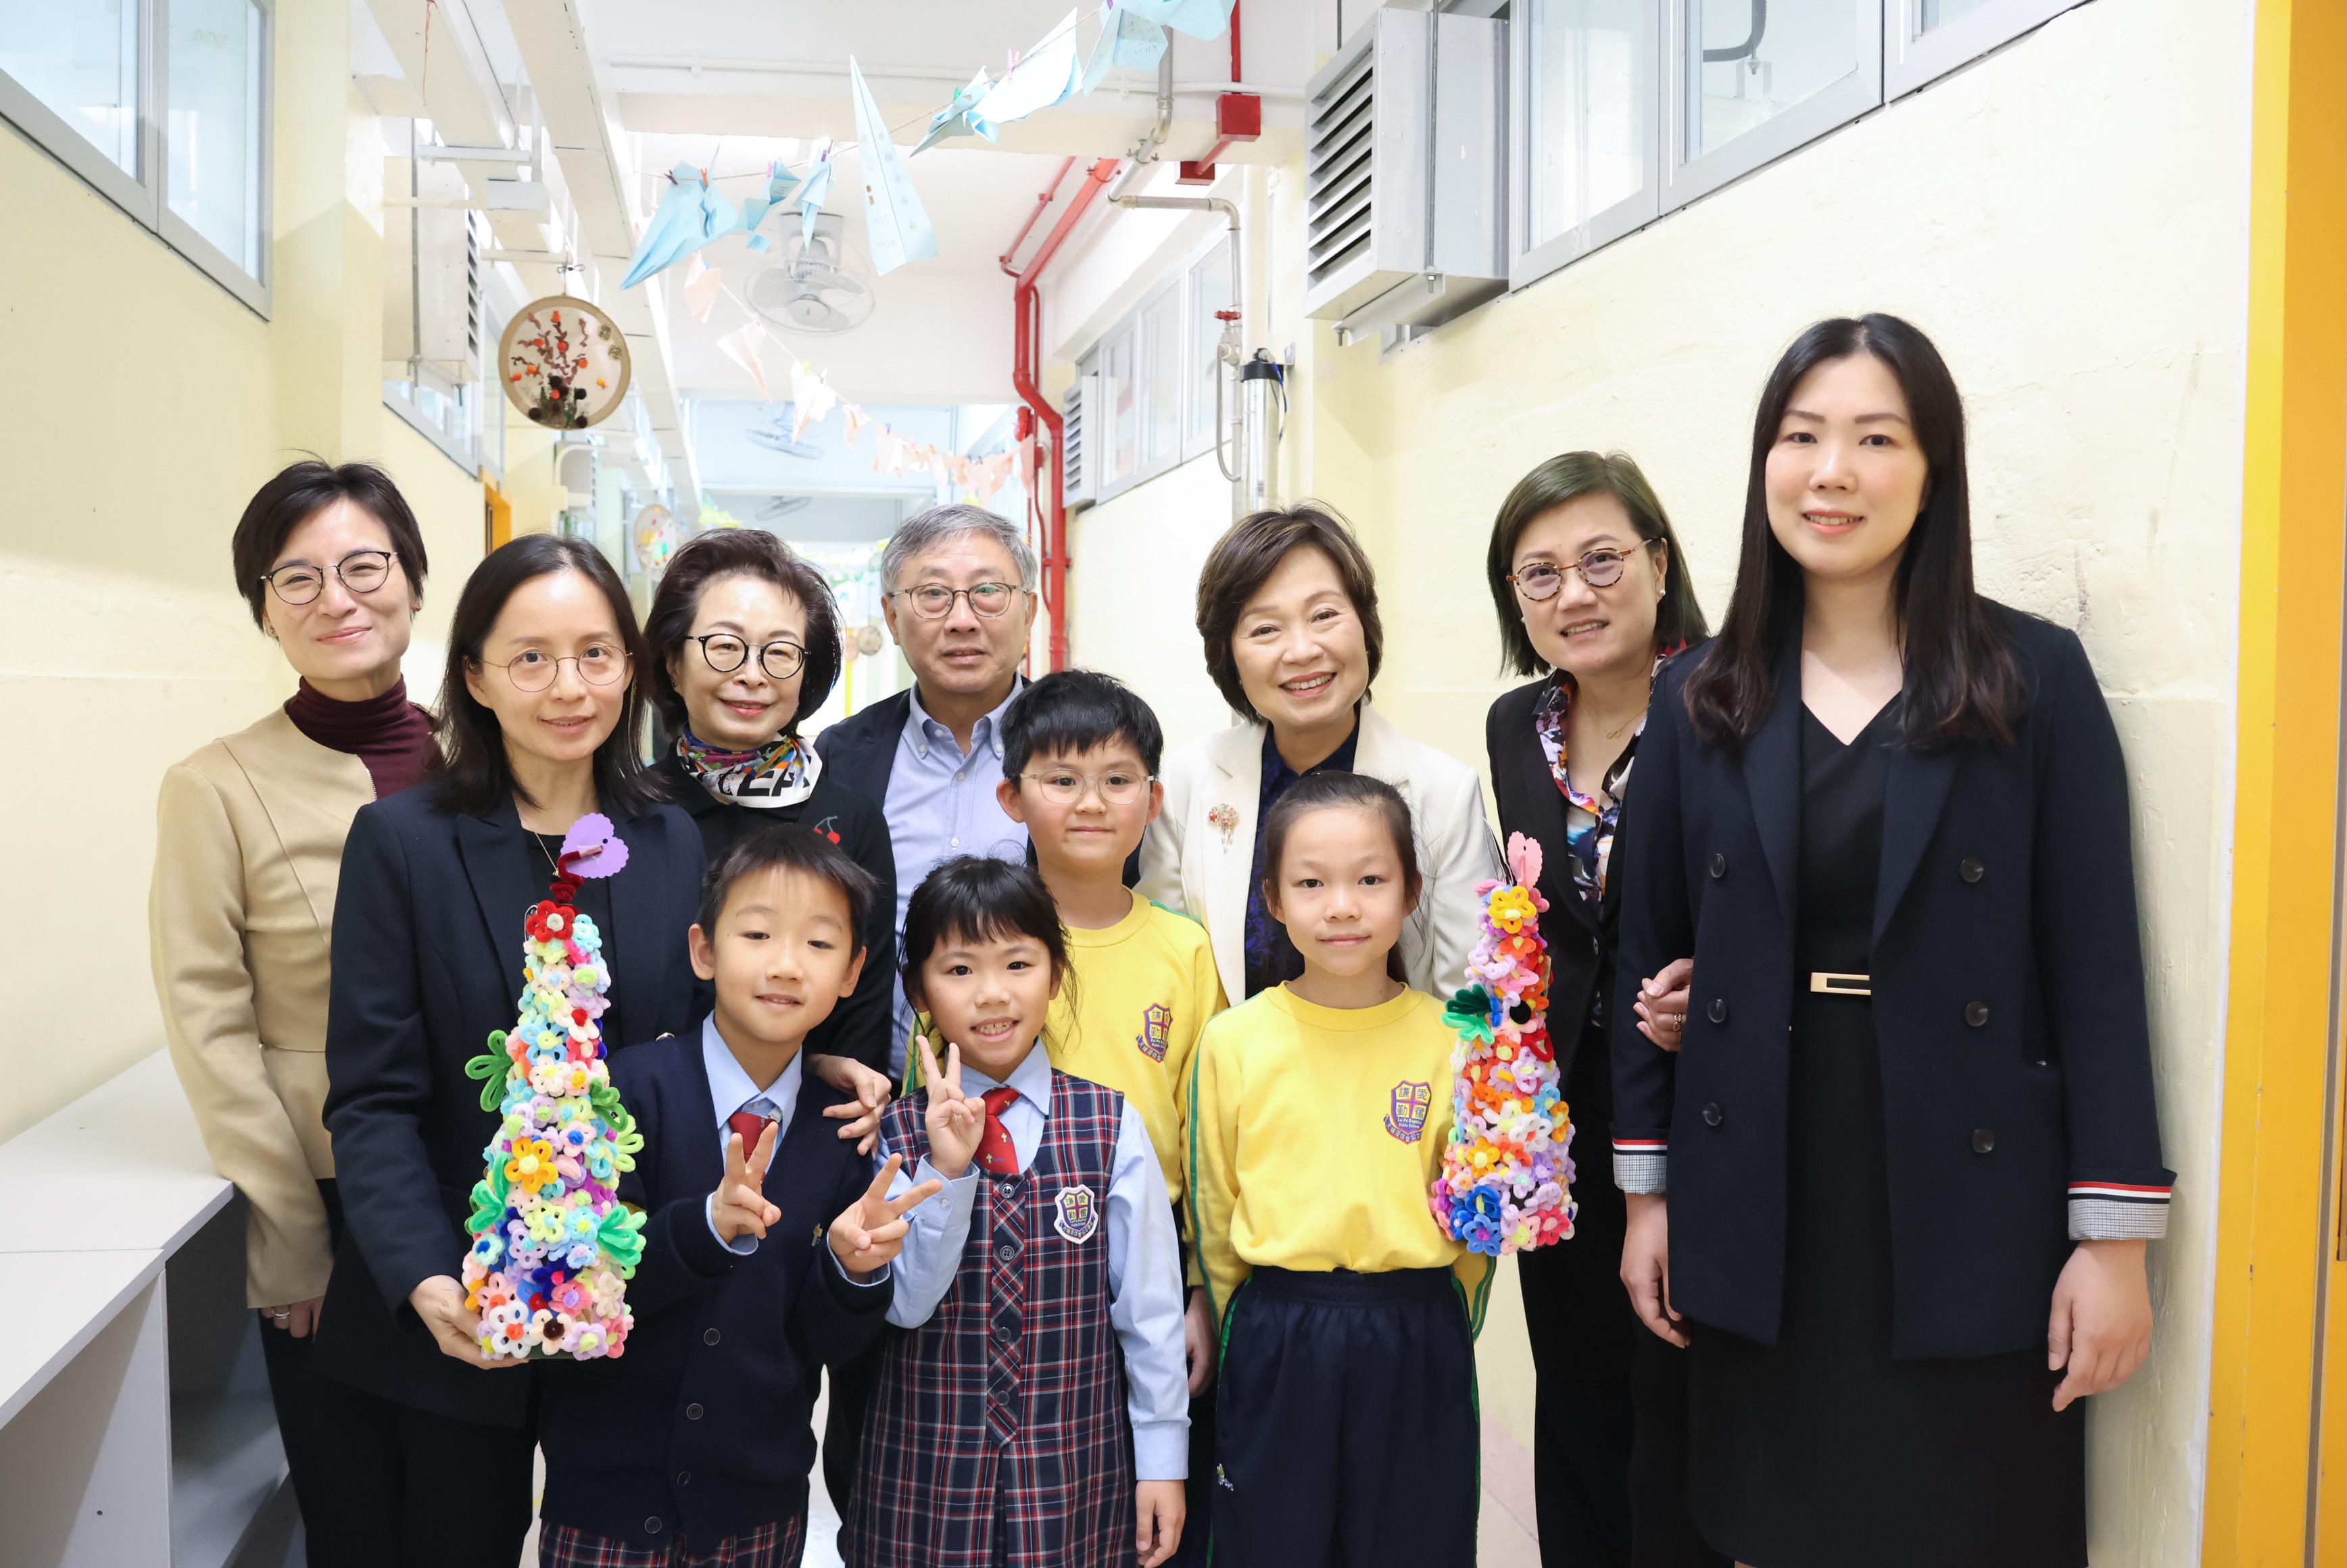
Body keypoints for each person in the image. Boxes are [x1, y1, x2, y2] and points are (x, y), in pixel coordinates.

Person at [1611, 315, 2171, 1568]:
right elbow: (1652, 947)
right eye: (1801, 437)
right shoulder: (1700, 695)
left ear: (1934, 471)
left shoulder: (2030, 677)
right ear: (1764, 464)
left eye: (1876, 440)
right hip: (1760, 1173)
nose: (1832, 473)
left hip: (1969, 1180)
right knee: (1775, 1520)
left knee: (1971, 1518)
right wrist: (1649, 1199)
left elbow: (2096, 972)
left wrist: (2114, 1242)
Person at [321, 535, 871, 1563]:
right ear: (475, 674)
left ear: (632, 667)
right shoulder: (403, 840)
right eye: (530, 658)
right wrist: (425, 1276)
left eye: (594, 654)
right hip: (464, 1305)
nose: (568, 687)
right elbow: (373, 1097)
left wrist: (809, 1059)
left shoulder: (666, 834)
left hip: (633, 1310)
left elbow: (694, 1036)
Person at [151, 460, 436, 1566]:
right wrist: (288, 1238)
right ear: (264, 610)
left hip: (490, 1181)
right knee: (354, 1515)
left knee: (470, 1509)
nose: (336, 598)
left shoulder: (491, 756)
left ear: (413, 582)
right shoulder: (214, 786)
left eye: (364, 566)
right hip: (330, 1203)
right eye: (297, 578)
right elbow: (208, 1018)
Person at [536, 827, 940, 1567]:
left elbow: (823, 1343)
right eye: (757, 934)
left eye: (819, 944)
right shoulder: (626, 1092)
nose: (785, 964)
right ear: (705, 950)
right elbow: (583, 1284)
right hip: (606, 1500)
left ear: (853, 971)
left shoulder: (843, 1132)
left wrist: (852, 1272)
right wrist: (704, 1228)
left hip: (757, 1509)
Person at [1480, 452, 1724, 1568]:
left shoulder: (1728, 701)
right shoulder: (1515, 724)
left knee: (1683, 1403)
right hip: (1560, 1127)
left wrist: (1721, 982)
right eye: (1539, 575)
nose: (1573, 594)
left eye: (1600, 561)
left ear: (1659, 564)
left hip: (1695, 1106)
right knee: (1577, 1395)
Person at [846, 857, 1190, 1568]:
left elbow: (1149, 1313)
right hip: (924, 1475)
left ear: (1056, 974)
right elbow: (904, 1305)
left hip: (1074, 1474)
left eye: (1018, 963)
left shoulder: (1111, 1124)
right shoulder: (892, 1134)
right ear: (918, 990)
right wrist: (946, 1171)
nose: (992, 994)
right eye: (960, 969)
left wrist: (1163, 1460)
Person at [1188, 772, 1491, 1567]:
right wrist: (1230, 1321)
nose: (1343, 906)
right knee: (1269, 1542)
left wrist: (1443, 1316)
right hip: (1278, 1324)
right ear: (1272, 898)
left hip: (1415, 1325)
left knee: (1414, 1542)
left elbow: (1476, 1213)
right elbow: (1215, 1204)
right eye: (1311, 883)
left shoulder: (1454, 1039)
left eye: (1370, 880)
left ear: (1412, 891)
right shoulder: (1235, 1039)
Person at [1139, 502, 1501, 1009]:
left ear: (1366, 625)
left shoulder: (1444, 791)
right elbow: (1170, 974)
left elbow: (1465, 998)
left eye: (1325, 616)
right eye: (1266, 629)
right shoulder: (1188, 779)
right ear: (1229, 656)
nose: (1303, 650)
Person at [644, 528, 898, 1073]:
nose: (752, 675)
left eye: (780, 653)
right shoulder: (625, 812)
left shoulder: (851, 821)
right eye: (725, 647)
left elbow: (862, 1017)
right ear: (672, 662)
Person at [815, 503, 1038, 1073]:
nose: (962, 619)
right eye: (933, 595)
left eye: (987, 592)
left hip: (1041, 1090)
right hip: (870, 1093)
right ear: (892, 618)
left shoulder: (1080, 753)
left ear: (1029, 611)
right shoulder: (843, 756)